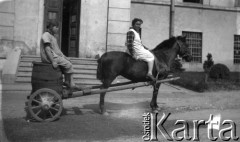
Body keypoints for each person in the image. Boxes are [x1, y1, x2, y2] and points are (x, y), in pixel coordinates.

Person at [40, 20, 81, 90]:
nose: (58, 29)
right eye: (56, 27)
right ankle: (71, 84)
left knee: (68, 62)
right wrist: (53, 61)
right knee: (69, 65)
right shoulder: (46, 35)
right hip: (49, 57)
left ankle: (67, 81)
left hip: (54, 56)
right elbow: (47, 50)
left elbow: (58, 51)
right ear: (51, 27)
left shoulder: (52, 37)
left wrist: (65, 57)